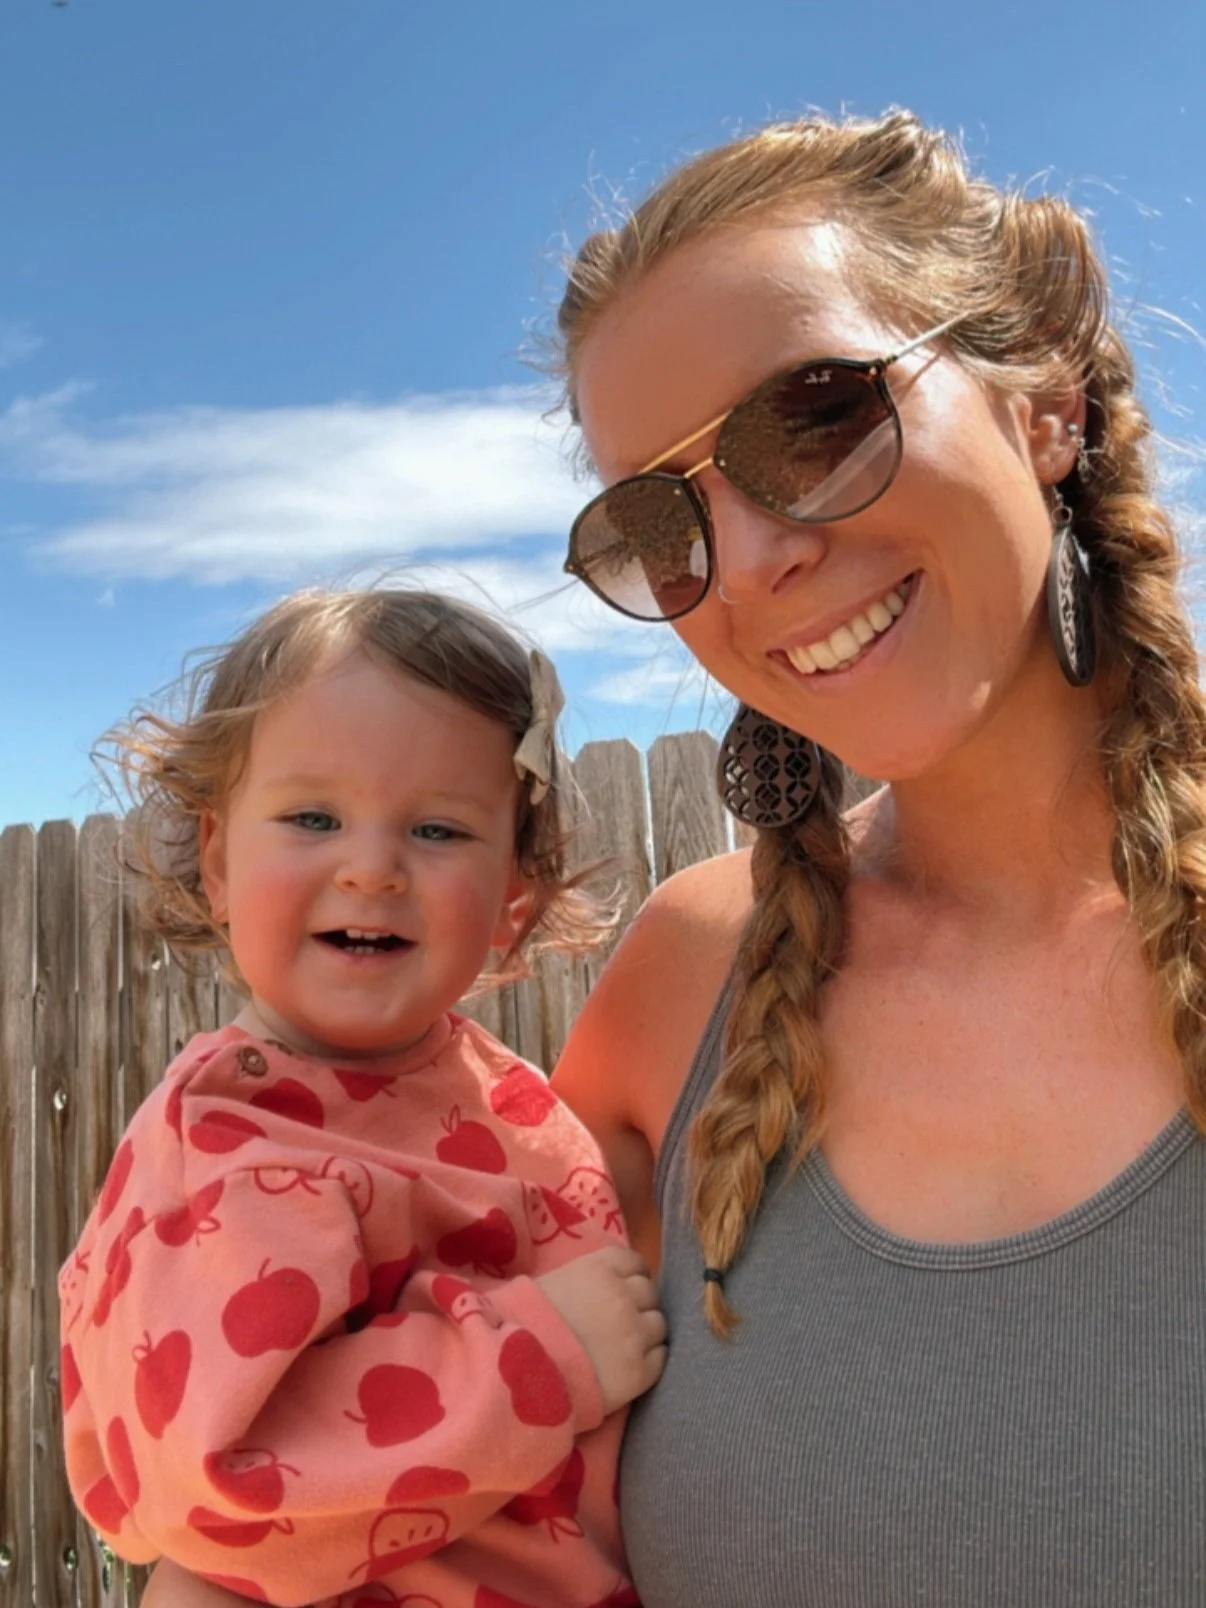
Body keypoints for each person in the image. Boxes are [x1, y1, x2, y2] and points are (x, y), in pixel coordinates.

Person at [548, 108, 1206, 1605]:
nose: (756, 557)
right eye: (660, 519)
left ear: (1039, 394)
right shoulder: (676, 985)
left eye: (816, 417)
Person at [59, 588, 662, 1608]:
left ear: (515, 892)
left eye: (436, 828)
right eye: (313, 818)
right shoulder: (230, 1141)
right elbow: (221, 1488)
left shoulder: (494, 1089)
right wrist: (539, 1356)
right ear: (217, 859)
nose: (373, 869)